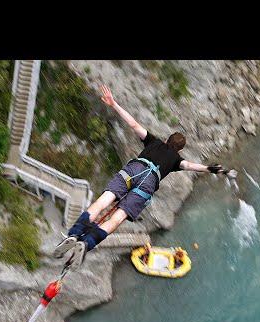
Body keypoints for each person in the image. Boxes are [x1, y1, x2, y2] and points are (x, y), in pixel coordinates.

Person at [54, 84, 234, 267]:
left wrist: (113, 103)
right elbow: (190, 165)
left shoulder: (153, 141)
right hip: (147, 183)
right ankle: (87, 243)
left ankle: (74, 233)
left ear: (166, 140)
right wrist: (210, 168)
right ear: (179, 149)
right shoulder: (176, 160)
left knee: (102, 202)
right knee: (117, 217)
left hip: (134, 170)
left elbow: (133, 124)